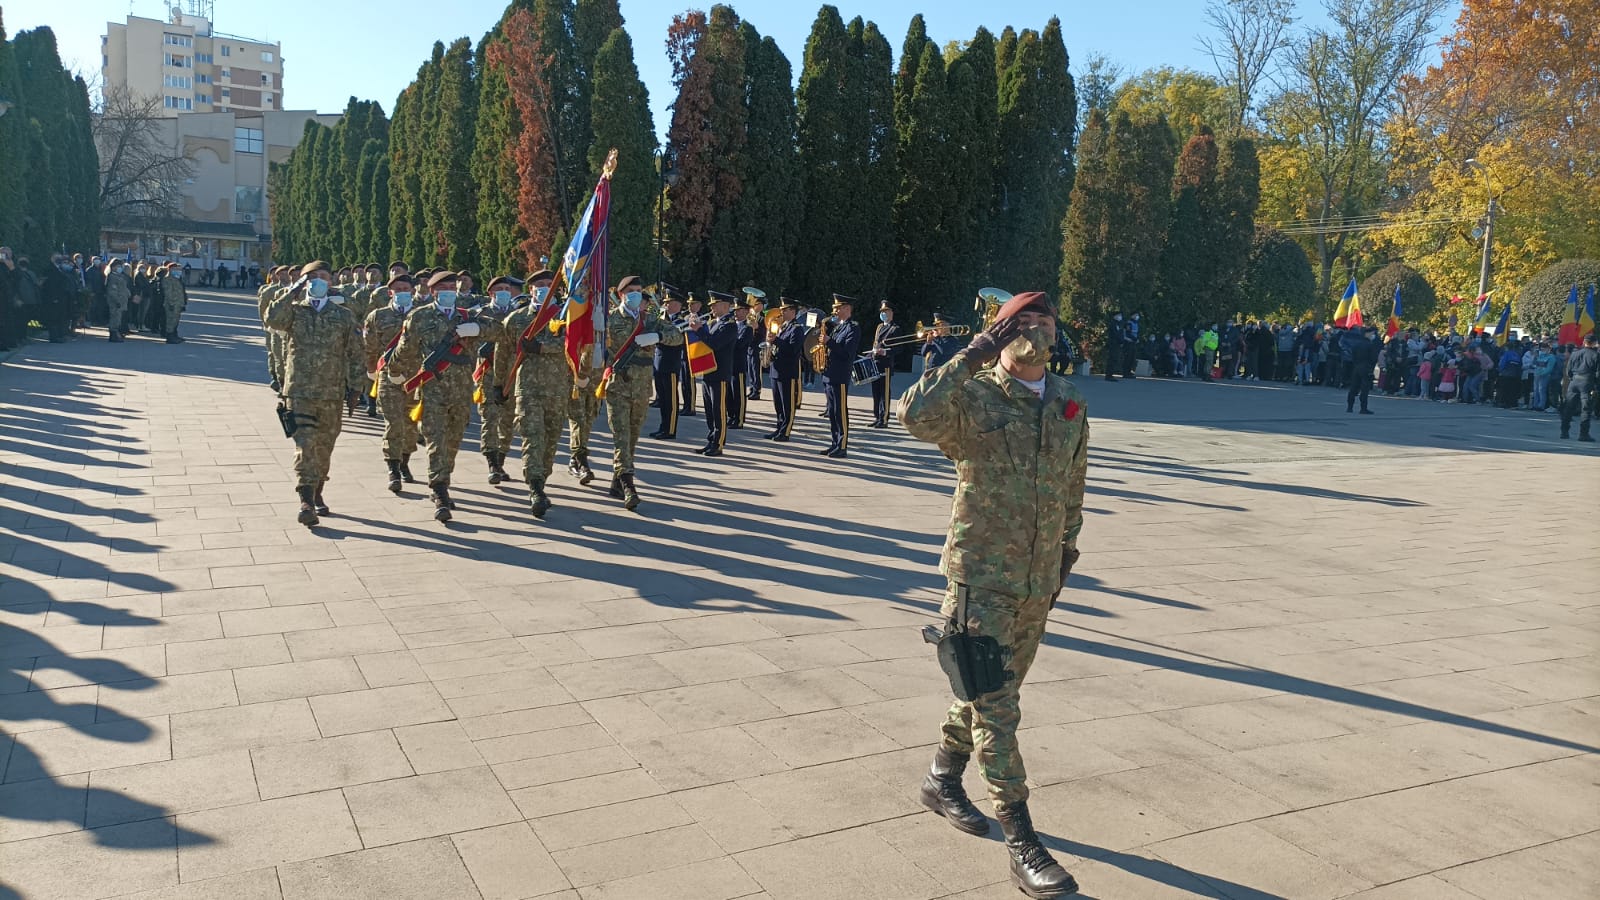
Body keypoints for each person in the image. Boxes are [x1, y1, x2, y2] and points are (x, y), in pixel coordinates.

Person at [899, 290, 1086, 900]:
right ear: (998, 334)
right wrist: (969, 357)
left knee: (987, 696)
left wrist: (1064, 559)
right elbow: (913, 415)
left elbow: (1073, 489)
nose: (1034, 329)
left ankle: (941, 777)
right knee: (999, 709)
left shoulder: (1068, 402)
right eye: (1018, 322)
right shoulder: (974, 397)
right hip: (980, 576)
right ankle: (1023, 842)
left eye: (1043, 320)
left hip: (1038, 579)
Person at [264, 261, 364, 527]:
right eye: (313, 277)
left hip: (331, 393)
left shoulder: (343, 315)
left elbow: (355, 352)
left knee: (324, 448)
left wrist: (356, 387)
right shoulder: (294, 312)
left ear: (331, 283)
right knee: (306, 445)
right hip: (299, 392)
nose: (319, 281)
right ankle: (306, 498)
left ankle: (318, 488)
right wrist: (294, 289)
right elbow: (272, 318)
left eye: (324, 277)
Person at [391, 270, 493, 522]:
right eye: (443, 286)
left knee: (453, 439)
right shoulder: (420, 316)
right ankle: (439, 489)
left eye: (452, 285)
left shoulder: (467, 316)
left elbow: (500, 331)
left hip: (461, 391)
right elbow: (404, 348)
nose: (449, 290)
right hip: (432, 389)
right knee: (435, 439)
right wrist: (393, 371)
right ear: (433, 291)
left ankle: (442, 478)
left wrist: (477, 328)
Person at [602, 276, 684, 510]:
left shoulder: (650, 320)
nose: (636, 295)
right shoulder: (610, 320)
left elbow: (677, 336)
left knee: (632, 438)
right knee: (621, 436)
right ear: (621, 295)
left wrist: (657, 336)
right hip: (617, 387)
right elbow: (600, 350)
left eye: (639, 291)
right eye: (631, 291)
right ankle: (629, 486)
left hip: (641, 389)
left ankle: (616, 482)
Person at [496, 270, 572, 516]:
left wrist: (542, 347)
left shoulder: (567, 317)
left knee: (550, 441)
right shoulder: (516, 320)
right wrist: (499, 384)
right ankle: (535, 487)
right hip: (527, 390)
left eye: (549, 285)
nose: (544, 289)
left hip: (557, 389)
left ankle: (542, 480)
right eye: (539, 285)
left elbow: (574, 345)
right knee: (532, 437)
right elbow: (503, 351)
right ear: (531, 291)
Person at [363, 273, 422, 492]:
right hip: (389, 377)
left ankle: (405, 461)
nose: (402, 293)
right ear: (390, 293)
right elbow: (369, 347)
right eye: (398, 289)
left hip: (416, 378)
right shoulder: (377, 316)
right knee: (393, 423)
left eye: (406, 289)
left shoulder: (422, 316)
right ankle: (393, 469)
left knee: (411, 425)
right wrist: (371, 371)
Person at [472, 276, 522, 485]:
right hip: (488, 373)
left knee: (508, 420)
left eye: (507, 289)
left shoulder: (518, 315)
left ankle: (500, 460)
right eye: (499, 289)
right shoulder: (480, 314)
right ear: (490, 293)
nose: (504, 292)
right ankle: (492, 463)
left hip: (512, 373)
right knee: (490, 418)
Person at [693, 291, 739, 457]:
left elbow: (714, 344)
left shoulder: (730, 325)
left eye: (715, 305)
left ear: (725, 306)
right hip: (708, 371)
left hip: (720, 372)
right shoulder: (714, 323)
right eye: (711, 305)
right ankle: (711, 439)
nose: (711, 307)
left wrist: (698, 330)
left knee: (718, 410)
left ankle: (718, 443)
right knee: (709, 410)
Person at [820, 295, 861, 458]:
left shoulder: (853, 328)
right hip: (829, 374)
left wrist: (829, 342)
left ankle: (842, 445)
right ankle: (834, 442)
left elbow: (847, 353)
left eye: (838, 308)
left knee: (840, 411)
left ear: (847, 309)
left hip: (840, 375)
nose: (835, 311)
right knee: (831, 411)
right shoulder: (838, 327)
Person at [765, 297, 806, 441]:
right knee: (778, 403)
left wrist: (775, 340)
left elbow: (793, 349)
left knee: (787, 403)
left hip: (787, 371)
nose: (781, 312)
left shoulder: (797, 329)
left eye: (784, 310)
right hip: (776, 369)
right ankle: (779, 427)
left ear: (793, 311)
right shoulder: (783, 326)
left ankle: (785, 431)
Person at [650, 286, 687, 440]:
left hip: (671, 364)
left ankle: (670, 429)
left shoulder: (681, 321)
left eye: (669, 302)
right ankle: (663, 426)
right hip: (659, 363)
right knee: (663, 399)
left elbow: (677, 341)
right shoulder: (663, 319)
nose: (665, 305)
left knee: (671, 399)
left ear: (677, 305)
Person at [1560, 332, 1598, 441]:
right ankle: (1583, 434)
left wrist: (1573, 378)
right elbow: (1598, 373)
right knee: (1586, 409)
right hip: (1587, 382)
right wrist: (1596, 385)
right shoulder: (1596, 355)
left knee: (1568, 407)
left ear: (1584, 342)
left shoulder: (1575, 353)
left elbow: (1569, 370)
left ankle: (1564, 432)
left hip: (1574, 381)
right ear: (1594, 343)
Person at [870, 301, 902, 428]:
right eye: (882, 312)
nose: (883, 314)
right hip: (875, 363)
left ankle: (884, 419)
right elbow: (875, 342)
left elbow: (899, 349)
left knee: (884, 392)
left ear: (891, 313)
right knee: (875, 391)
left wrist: (886, 352)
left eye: (886, 311)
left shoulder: (895, 329)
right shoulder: (879, 327)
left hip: (886, 364)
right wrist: (872, 353)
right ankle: (877, 416)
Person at [729, 300, 755, 428]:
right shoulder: (733, 325)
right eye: (735, 310)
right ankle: (731, 416)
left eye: (738, 310)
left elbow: (740, 345)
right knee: (729, 394)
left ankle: (738, 419)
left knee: (738, 394)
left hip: (738, 365)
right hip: (729, 365)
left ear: (745, 311)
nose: (735, 313)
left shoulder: (747, 328)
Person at [1344, 325, 1380, 413]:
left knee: (1353, 387)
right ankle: (1363, 408)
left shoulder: (1357, 344)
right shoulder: (1370, 345)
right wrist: (1371, 369)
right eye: (1371, 333)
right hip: (1366, 368)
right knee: (1365, 389)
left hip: (1357, 367)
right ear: (1366, 334)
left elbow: (1353, 356)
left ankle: (1350, 407)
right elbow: (1373, 358)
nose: (1373, 335)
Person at [159, 261, 189, 343]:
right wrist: (171, 303)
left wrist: (183, 303)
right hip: (171, 304)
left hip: (178, 303)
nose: (179, 271)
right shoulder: (167, 279)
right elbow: (168, 293)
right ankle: (170, 337)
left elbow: (181, 292)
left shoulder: (177, 279)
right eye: (176, 269)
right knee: (170, 320)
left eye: (179, 270)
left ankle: (174, 335)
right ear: (171, 270)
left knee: (175, 320)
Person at [922, 313, 959, 377]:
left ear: (947, 325)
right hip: (930, 371)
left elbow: (944, 351)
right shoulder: (935, 339)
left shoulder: (953, 339)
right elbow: (923, 353)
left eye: (939, 324)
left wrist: (936, 338)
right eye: (936, 324)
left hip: (943, 373)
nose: (937, 327)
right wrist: (928, 342)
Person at [104, 260, 132, 343]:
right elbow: (112, 291)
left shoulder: (120, 276)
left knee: (118, 318)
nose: (120, 268)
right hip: (115, 302)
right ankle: (113, 335)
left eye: (120, 266)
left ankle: (117, 333)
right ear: (113, 267)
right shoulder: (112, 277)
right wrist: (117, 301)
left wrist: (128, 293)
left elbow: (123, 287)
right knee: (115, 318)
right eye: (118, 266)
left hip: (122, 301)